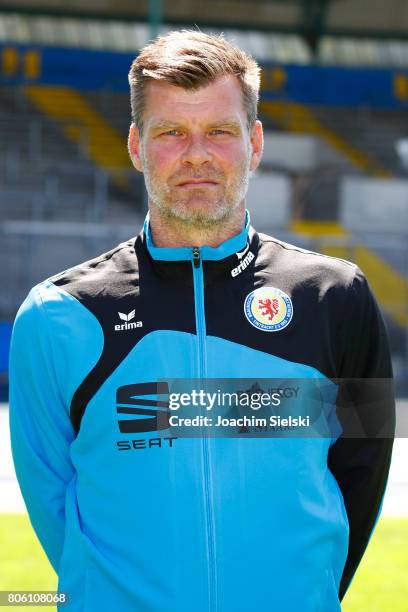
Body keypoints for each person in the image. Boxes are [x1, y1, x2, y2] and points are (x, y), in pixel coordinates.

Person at [9, 30, 394, 611]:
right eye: (171, 133)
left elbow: (361, 475)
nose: (196, 154)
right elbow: (52, 501)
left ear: (255, 142)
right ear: (137, 146)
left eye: (219, 131)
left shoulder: (336, 297)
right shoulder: (56, 314)